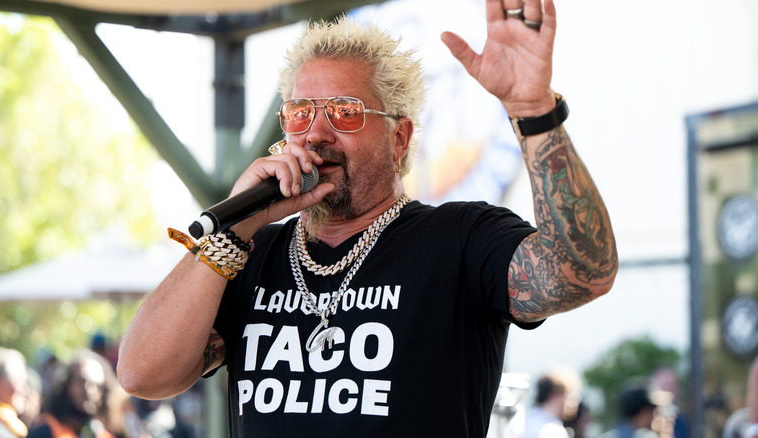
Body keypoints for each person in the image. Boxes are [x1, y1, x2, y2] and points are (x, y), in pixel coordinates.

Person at [117, 0, 618, 436]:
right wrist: (233, 234)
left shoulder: (460, 239)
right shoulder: (248, 256)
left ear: (399, 139)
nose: (315, 133)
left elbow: (581, 273)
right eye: (300, 113)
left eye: (345, 112)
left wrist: (533, 111)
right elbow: (142, 375)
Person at [27, 350, 118, 438]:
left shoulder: (104, 434)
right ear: (66, 385)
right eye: (81, 381)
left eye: (97, 385)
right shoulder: (45, 431)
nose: (89, 390)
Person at [525, 367, 582, 438]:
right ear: (555, 395)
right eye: (569, 394)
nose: (575, 401)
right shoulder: (551, 430)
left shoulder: (527, 419)